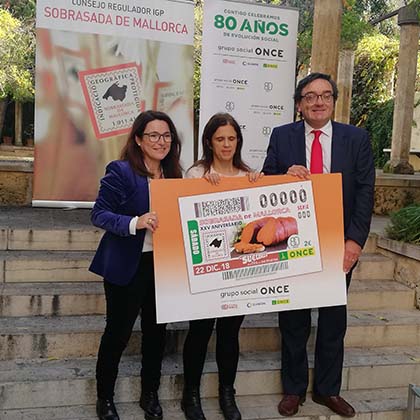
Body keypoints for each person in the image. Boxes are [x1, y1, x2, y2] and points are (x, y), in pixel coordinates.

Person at [262, 73, 375, 418]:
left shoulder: (356, 138)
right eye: (310, 96)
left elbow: (366, 192)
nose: (318, 102)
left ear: (333, 101)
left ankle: (328, 391)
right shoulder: (282, 137)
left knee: (332, 320)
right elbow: (264, 183)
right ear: (299, 104)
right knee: (293, 319)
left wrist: (354, 242)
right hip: (294, 243)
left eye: (325, 95)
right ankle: (293, 390)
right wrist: (285, 176)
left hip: (337, 243)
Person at [89, 110, 183, 420]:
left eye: (166, 135)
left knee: (157, 334)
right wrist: (135, 222)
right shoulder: (121, 171)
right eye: (154, 135)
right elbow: (99, 214)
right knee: (117, 334)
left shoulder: (175, 175)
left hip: (163, 266)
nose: (161, 141)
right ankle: (105, 398)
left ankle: (150, 394)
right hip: (127, 266)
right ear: (139, 140)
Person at [181, 113, 262, 420]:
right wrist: (203, 187)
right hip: (205, 269)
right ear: (209, 142)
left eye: (231, 138)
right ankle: (191, 395)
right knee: (200, 332)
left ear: (238, 141)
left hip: (238, 269)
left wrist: (259, 185)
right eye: (220, 139)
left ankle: (228, 394)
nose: (226, 144)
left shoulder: (248, 173)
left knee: (230, 333)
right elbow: (185, 216)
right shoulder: (196, 173)